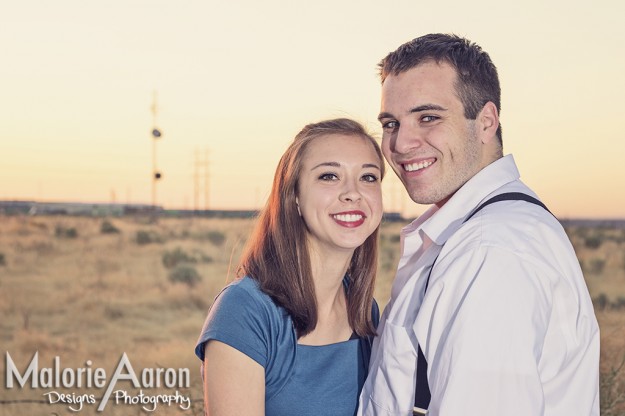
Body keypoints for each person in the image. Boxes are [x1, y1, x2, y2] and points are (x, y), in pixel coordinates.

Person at [358, 34, 600, 416]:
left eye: (428, 117)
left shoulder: (492, 251)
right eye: (391, 123)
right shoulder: (478, 231)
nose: (401, 143)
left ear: (486, 122)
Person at [195, 118, 386, 416]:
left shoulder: (364, 311)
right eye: (329, 176)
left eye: (369, 177)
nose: (353, 193)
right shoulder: (245, 311)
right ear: (294, 197)